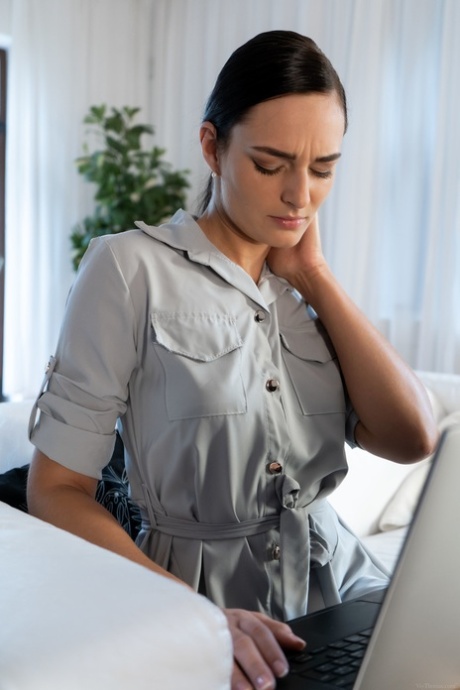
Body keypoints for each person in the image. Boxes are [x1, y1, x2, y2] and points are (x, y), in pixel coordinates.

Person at [27, 30, 437, 690]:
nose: (300, 196)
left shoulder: (304, 288)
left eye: (324, 168)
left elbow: (413, 436)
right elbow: (56, 489)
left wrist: (316, 273)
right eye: (272, 164)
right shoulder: (129, 269)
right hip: (202, 607)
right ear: (212, 147)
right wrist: (197, 617)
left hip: (347, 593)